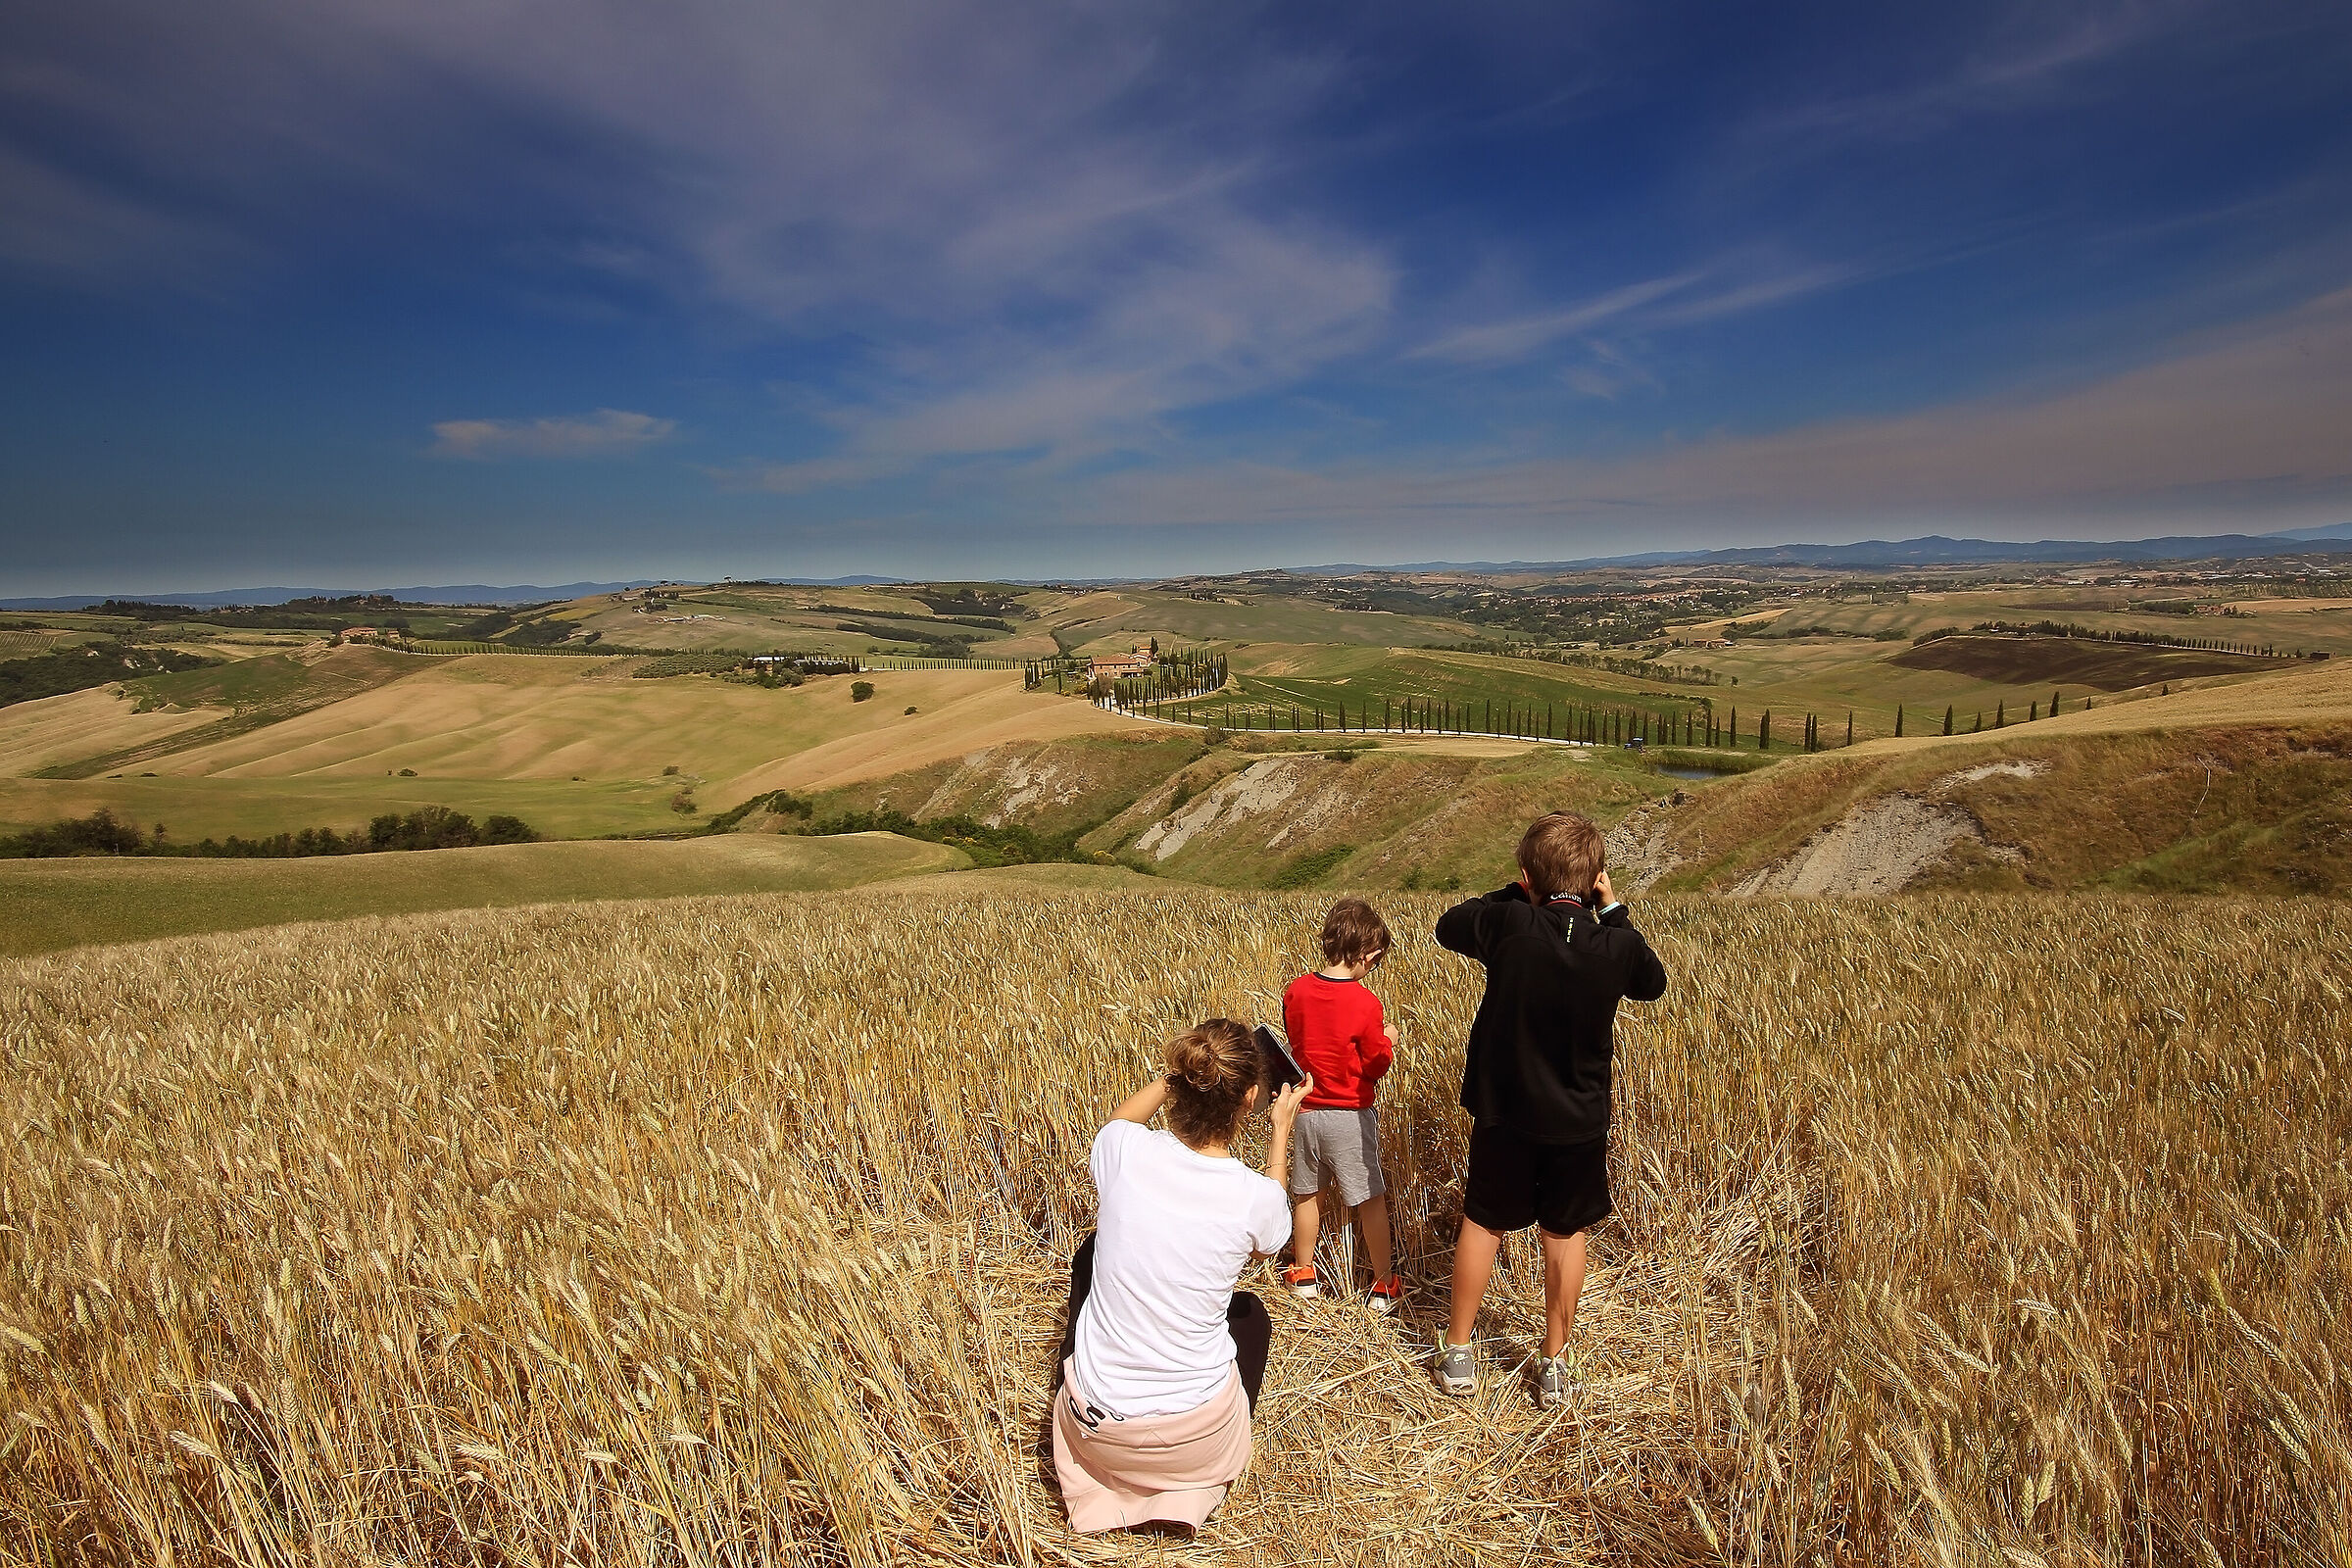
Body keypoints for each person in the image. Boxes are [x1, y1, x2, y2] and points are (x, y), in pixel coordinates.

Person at [1430, 811, 1667, 1406]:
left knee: (1483, 1220)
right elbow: (1652, 981)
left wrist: (1515, 893)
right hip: (1578, 1118)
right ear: (1594, 881)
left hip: (1504, 1110)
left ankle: (1458, 1350)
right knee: (1564, 1232)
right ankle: (1554, 1362)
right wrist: (1610, 909)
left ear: (1527, 875)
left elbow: (1448, 925)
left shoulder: (1511, 923)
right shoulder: (1615, 944)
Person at [1053, 1019, 1313, 1536]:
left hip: (1095, 1430)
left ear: (1182, 1078)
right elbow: (1272, 1238)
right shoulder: (1252, 1196)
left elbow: (1117, 1122)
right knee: (1251, 1317)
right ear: (1250, 1099)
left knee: (1089, 1255)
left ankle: (1110, 1487)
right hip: (1194, 1441)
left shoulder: (1124, 1151)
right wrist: (1281, 1134)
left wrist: (1177, 1076)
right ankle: (1186, 1489)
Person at [1280, 897, 1404, 1312]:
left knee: (1307, 1194)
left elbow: (1302, 1043)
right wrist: (1389, 1038)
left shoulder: (1295, 990)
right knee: (1369, 1197)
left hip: (1305, 1112)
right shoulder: (1366, 1004)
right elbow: (1376, 1063)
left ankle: (1303, 1273)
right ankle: (1385, 1282)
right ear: (1368, 954)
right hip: (1349, 1114)